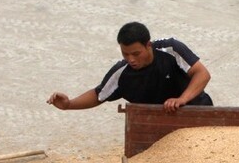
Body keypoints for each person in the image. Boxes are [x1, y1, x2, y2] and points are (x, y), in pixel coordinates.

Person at [47, 22, 214, 114]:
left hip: (197, 111)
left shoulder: (171, 49)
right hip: (157, 125)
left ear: (148, 45)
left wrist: (181, 100)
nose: (131, 59)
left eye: (136, 53)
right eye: (125, 54)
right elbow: (99, 95)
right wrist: (69, 104)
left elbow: (202, 74)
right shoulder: (122, 72)